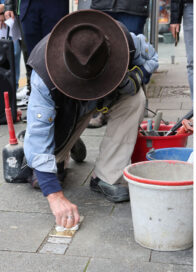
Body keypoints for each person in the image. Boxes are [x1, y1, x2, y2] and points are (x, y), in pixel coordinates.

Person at [23, 10, 158, 228]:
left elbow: (152, 57)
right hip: (65, 111)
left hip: (106, 99)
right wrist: (55, 196)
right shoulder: (44, 73)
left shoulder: (125, 40)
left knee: (135, 98)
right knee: (44, 174)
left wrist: (138, 75)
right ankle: (65, 143)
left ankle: (107, 176)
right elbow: (38, 137)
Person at [87, 0, 150, 128]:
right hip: (102, 5)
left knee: (132, 54)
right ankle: (101, 108)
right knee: (99, 55)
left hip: (132, 7)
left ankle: (136, 105)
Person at [4, 0, 69, 108]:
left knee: (55, 55)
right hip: (28, 6)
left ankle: (60, 106)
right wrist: (9, 6)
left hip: (55, 6)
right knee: (32, 60)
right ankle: (37, 106)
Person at [170, 0, 193, 100]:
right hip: (191, 7)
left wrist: (175, 19)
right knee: (193, 63)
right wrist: (175, 19)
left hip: (192, 8)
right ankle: (194, 108)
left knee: (193, 64)